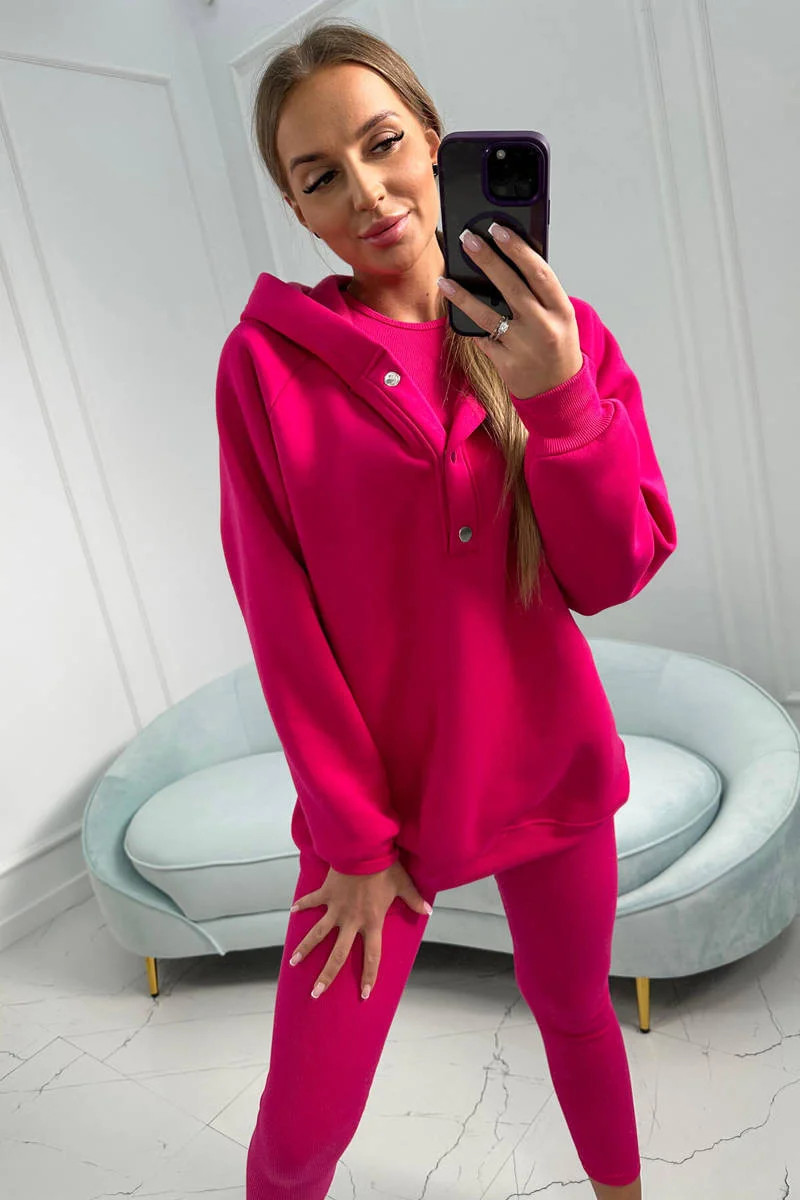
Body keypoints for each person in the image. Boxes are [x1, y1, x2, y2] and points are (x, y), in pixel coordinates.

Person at [215, 18, 677, 1200]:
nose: (367, 193)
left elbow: (608, 573)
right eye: (321, 175)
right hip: (375, 817)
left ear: (432, 140)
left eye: (381, 145)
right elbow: (278, 616)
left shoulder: (562, 336)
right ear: (297, 208)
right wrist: (355, 843)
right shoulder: (265, 368)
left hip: (546, 768)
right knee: (299, 1132)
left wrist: (560, 402)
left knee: (573, 1014)